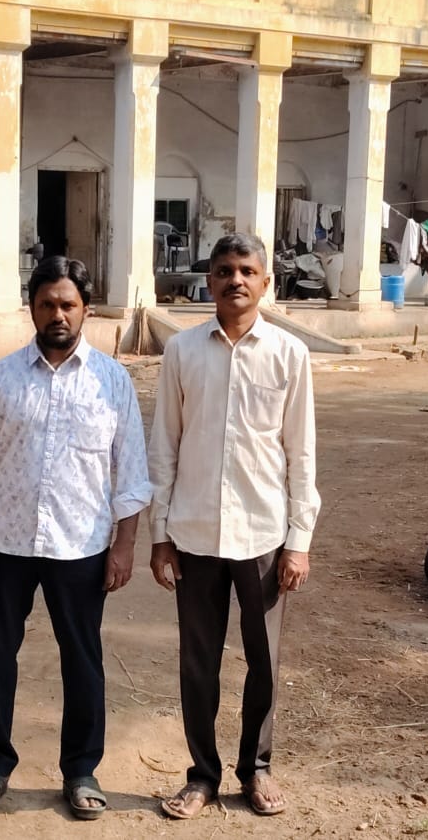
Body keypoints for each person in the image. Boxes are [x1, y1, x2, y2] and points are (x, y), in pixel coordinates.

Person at [0, 255, 151, 821]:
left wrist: (124, 543)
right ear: (32, 309)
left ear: (86, 310)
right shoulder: (1, 378)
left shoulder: (112, 381)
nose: (57, 314)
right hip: (5, 542)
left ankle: (82, 770)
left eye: (68, 304)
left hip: (81, 544)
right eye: (46, 304)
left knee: (82, 658)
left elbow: (132, 470)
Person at [149, 231, 321, 820]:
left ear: (266, 282)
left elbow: (301, 454)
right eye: (224, 271)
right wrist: (160, 535)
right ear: (210, 281)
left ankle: (257, 768)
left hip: (264, 536)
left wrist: (299, 542)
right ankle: (202, 775)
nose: (236, 281)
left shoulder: (289, 354)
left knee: (264, 661)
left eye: (247, 271)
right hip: (194, 532)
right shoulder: (182, 351)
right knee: (198, 662)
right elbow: (164, 447)